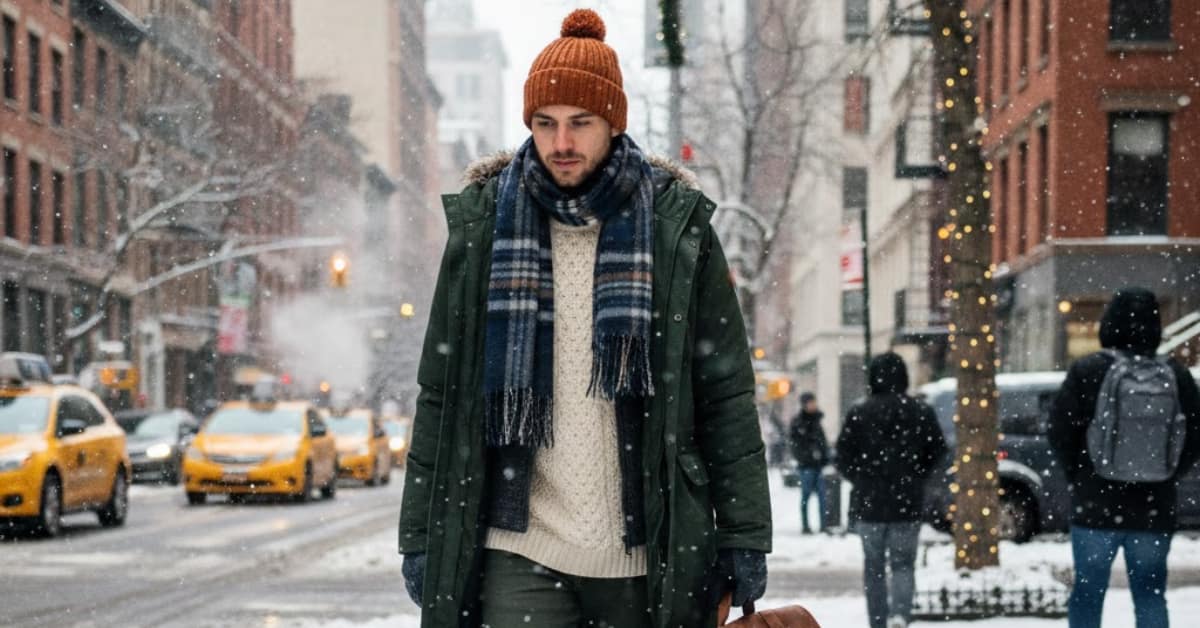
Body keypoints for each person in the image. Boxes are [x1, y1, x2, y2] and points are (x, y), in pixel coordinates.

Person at [396, 10, 772, 628]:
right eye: (544, 124)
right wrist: (418, 534)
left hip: (644, 550)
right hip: (516, 544)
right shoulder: (486, 230)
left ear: (612, 123)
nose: (561, 143)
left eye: (579, 123)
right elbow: (440, 395)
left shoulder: (677, 234)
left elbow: (724, 393)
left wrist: (745, 530)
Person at [1048, 288, 1200, 628]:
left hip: (1095, 505)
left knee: (1088, 594)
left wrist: (1081, 475)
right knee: (1150, 595)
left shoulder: (1088, 370)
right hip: (1154, 505)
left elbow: (1059, 431)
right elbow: (1194, 437)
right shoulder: (1176, 375)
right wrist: (1167, 473)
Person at [836, 352, 947, 628]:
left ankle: (878, 620)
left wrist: (862, 479)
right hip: (906, 502)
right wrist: (916, 475)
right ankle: (900, 614)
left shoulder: (859, 412)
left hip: (870, 504)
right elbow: (937, 450)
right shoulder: (920, 411)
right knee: (903, 565)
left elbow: (843, 456)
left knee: (873, 568)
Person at [788, 392, 829, 534]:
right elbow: (794, 445)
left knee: (823, 497)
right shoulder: (798, 422)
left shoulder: (817, 420)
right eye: (810, 402)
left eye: (814, 402)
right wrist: (806, 457)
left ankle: (824, 525)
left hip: (818, 465)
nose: (813, 405)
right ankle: (805, 526)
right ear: (804, 404)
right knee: (806, 496)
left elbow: (823, 441)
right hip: (806, 466)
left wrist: (825, 458)